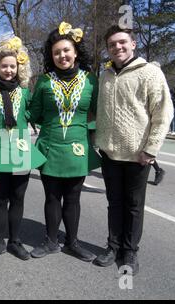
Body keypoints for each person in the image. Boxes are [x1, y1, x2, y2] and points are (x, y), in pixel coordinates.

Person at [94, 25, 173, 275]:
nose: (117, 47)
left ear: (133, 44)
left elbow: (162, 114)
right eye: (112, 45)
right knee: (114, 203)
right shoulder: (105, 75)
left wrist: (151, 150)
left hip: (138, 156)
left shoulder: (150, 73)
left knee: (134, 206)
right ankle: (113, 246)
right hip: (109, 154)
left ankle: (129, 251)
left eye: (122, 42)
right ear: (107, 50)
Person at [28, 22, 100, 262]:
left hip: (78, 149)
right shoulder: (44, 81)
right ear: (52, 55)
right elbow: (35, 112)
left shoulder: (91, 80)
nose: (62, 55)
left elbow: (97, 111)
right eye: (56, 52)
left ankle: (72, 243)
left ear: (76, 51)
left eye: (66, 50)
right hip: (50, 146)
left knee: (73, 197)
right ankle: (50, 241)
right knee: (51, 196)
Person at [0, 36, 46, 262]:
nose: (8, 70)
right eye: (4, 66)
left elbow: (33, 114)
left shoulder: (25, 92)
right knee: (0, 199)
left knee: (18, 197)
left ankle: (15, 241)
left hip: (20, 151)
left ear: (18, 68)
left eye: (12, 66)